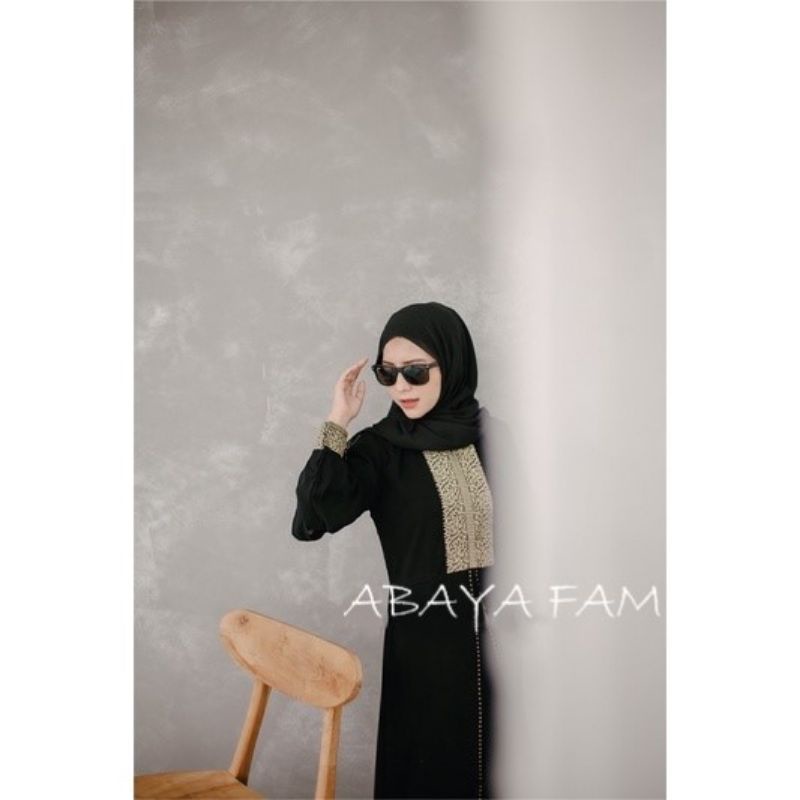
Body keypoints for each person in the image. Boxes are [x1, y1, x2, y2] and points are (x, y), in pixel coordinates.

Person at [291, 301, 499, 800]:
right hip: (424, 648)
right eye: (388, 373)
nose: (402, 386)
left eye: (416, 371)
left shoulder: (493, 438)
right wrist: (337, 421)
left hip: (505, 640)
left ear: (453, 365)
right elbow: (314, 517)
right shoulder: (380, 450)